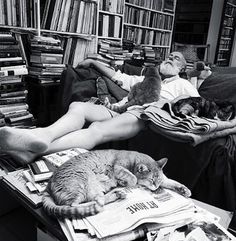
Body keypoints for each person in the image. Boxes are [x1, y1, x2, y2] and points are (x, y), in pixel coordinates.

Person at [0, 52, 200, 164]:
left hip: (144, 115)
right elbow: (117, 77)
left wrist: (174, 104)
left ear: (182, 68)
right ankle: (43, 136)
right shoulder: (145, 78)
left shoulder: (184, 85)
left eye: (175, 59)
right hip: (122, 108)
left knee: (96, 129)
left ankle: (35, 151)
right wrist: (94, 62)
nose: (168, 59)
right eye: (168, 56)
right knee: (78, 106)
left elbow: (197, 106)